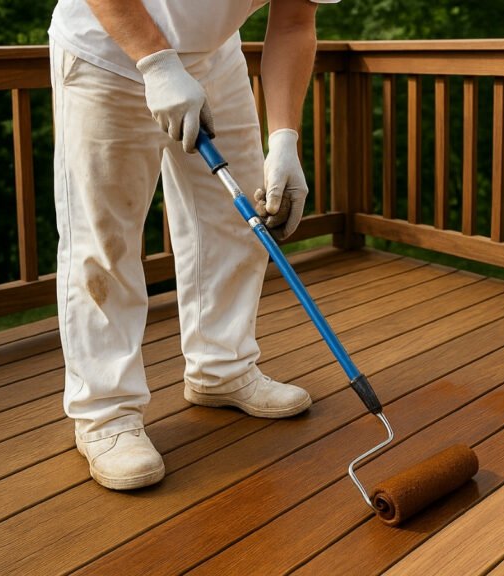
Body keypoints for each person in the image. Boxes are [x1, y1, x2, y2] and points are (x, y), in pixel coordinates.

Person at [47, 0, 337, 490]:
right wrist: (158, 63)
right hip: (108, 50)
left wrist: (284, 139)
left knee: (236, 219)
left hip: (213, 55)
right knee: (105, 243)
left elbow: (294, 21)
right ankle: (106, 413)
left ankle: (221, 367)